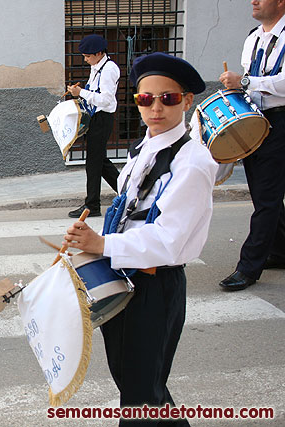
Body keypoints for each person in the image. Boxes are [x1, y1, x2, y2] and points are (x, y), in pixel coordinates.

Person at [64, 52, 217, 425]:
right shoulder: (143, 149)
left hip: (154, 286)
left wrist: (103, 246)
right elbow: (128, 213)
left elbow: (169, 241)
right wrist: (92, 238)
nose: (156, 108)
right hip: (124, 277)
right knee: (139, 388)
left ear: (187, 100)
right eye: (146, 99)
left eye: (168, 98)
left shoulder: (193, 162)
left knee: (140, 398)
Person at [218, 0, 285, 291]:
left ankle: (249, 266)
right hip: (256, 120)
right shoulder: (253, 37)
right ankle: (280, 250)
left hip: (281, 121)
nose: (253, 1)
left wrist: (245, 81)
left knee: (267, 197)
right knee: (262, 193)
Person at [68, 34, 120, 218]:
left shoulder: (109, 69)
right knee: (100, 161)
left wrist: (81, 92)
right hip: (95, 117)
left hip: (103, 117)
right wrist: (80, 92)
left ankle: (92, 206)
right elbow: (94, 91)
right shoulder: (97, 67)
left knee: (94, 163)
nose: (85, 59)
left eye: (88, 56)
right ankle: (128, 191)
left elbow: (106, 100)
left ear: (99, 53)